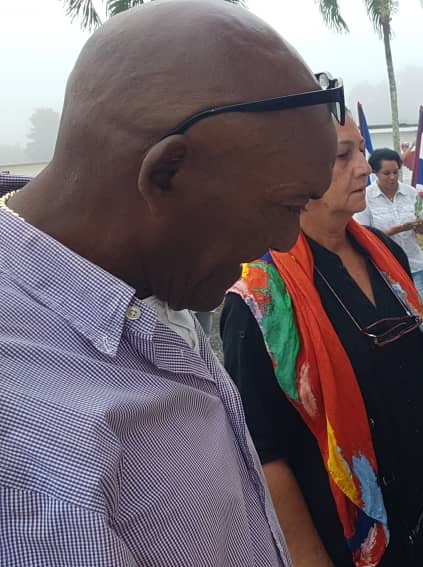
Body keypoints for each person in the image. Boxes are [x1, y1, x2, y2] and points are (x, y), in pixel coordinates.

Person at [0, 1, 341, 564]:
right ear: (166, 173)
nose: (286, 242)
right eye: (287, 206)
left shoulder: (143, 282)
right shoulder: (33, 449)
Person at [222, 117, 423, 567]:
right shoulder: (260, 302)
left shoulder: (387, 257)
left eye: (361, 151)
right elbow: (263, 451)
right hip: (342, 541)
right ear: (289, 171)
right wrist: (308, 557)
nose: (365, 168)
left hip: (420, 522)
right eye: (343, 156)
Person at [354, 148, 423, 309]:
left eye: (396, 172)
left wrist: (420, 226)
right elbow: (362, 235)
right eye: (386, 173)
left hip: (414, 263)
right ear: (375, 172)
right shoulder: (366, 197)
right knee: (398, 312)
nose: (392, 177)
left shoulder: (411, 193)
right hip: (385, 268)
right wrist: (392, 231)